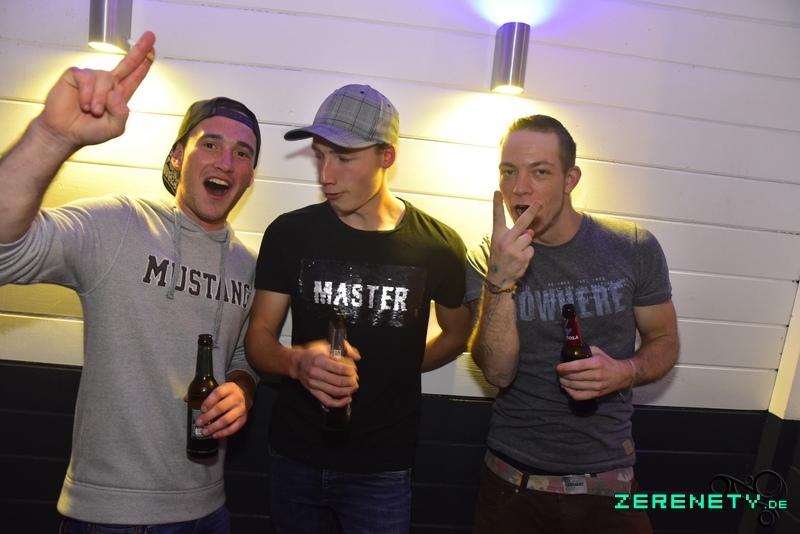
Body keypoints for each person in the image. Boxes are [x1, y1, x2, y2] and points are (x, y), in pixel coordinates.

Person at [0, 32, 261, 532]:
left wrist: (243, 390)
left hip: (211, 510)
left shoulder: (249, 265)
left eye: (242, 153)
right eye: (210, 144)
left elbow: (245, 358)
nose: (226, 161)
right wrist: (51, 138)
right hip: (111, 516)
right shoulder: (119, 225)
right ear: (178, 157)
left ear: (250, 177)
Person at [244, 84, 471, 533]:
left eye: (344, 158)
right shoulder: (289, 234)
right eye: (319, 156)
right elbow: (259, 340)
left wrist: (398, 367)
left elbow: (456, 334)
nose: (326, 175)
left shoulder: (437, 246)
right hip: (295, 455)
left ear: (387, 156)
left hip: (382, 466)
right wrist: (297, 363)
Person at [466, 114, 680, 533]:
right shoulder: (487, 258)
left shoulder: (632, 247)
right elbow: (498, 373)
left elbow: (665, 339)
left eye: (539, 172)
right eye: (508, 171)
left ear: (570, 179)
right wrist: (501, 280)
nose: (519, 187)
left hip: (607, 481)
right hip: (513, 482)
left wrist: (624, 372)